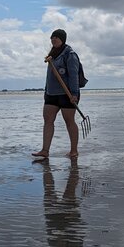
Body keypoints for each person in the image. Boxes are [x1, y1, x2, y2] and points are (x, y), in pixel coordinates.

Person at [32, 29, 81, 159]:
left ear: (62, 39)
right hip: (51, 94)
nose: (53, 39)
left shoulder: (70, 54)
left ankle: (74, 151)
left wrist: (74, 94)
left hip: (67, 94)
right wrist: (46, 92)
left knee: (69, 121)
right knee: (48, 121)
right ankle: (45, 150)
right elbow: (49, 77)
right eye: (52, 37)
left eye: (56, 37)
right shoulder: (51, 55)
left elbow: (74, 76)